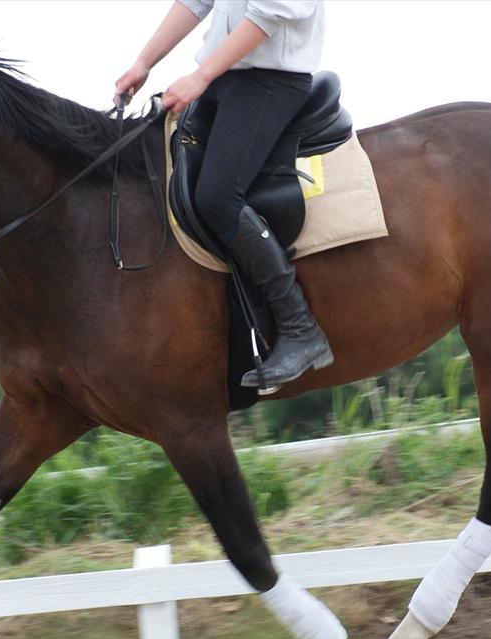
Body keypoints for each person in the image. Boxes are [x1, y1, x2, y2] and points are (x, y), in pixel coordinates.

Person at [115, 1, 331, 392]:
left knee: (216, 197)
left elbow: (272, 11)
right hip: (223, 79)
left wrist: (199, 76)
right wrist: (144, 62)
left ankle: (300, 328)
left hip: (270, 82)